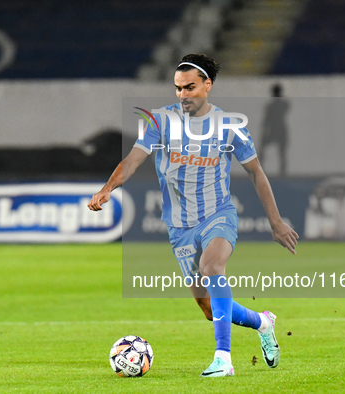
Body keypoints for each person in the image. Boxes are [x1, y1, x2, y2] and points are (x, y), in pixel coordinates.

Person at [88, 54, 298, 377]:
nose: (183, 95)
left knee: (212, 266)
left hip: (218, 214)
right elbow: (132, 160)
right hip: (179, 226)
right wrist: (108, 188)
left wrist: (276, 221)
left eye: (189, 88)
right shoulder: (159, 122)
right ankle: (262, 322)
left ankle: (223, 359)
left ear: (207, 86)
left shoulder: (230, 127)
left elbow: (257, 173)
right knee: (209, 308)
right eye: (177, 89)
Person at [258, 83, 290, 176]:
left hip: (278, 130)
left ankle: (282, 172)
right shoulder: (274, 105)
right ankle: (262, 169)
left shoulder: (279, 105)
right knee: (278, 152)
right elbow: (266, 120)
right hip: (276, 130)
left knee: (281, 152)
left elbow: (267, 119)